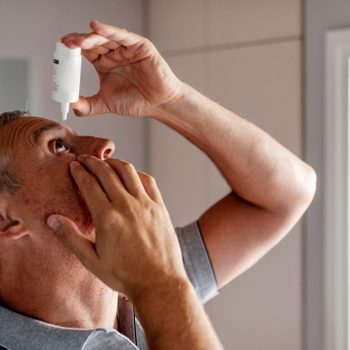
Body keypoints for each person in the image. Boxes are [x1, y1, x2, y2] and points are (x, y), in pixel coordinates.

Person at [0, 20, 316, 350]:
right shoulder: (152, 282)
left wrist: (170, 100)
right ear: (4, 220)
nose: (104, 145)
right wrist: (159, 282)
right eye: (59, 147)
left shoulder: (134, 290)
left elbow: (286, 195)